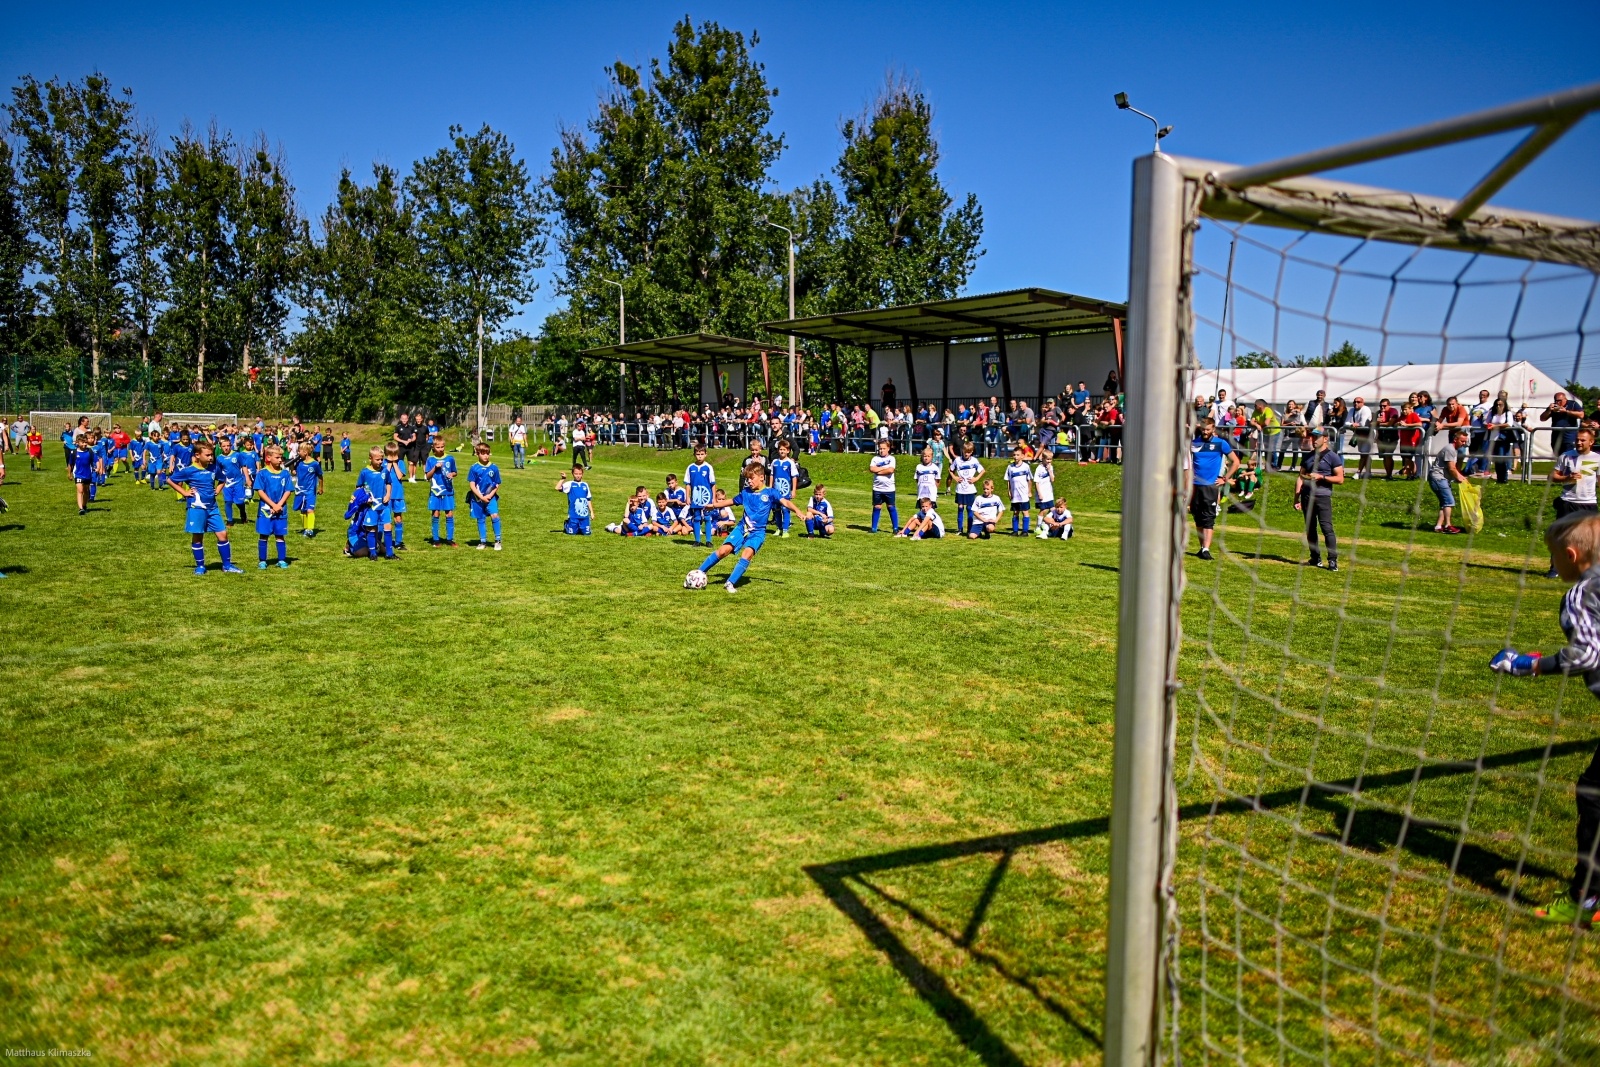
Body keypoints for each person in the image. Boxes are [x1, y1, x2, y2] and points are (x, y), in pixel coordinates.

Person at [1489, 510, 1600, 924]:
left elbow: (1587, 653)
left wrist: (1529, 665)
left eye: (1555, 559)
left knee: (1593, 794)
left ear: (1570, 556)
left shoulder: (1579, 594)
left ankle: (1588, 899)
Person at [687, 464, 813, 593]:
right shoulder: (746, 492)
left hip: (758, 532)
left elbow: (785, 502)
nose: (749, 481)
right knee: (723, 551)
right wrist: (714, 505)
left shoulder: (770, 493)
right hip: (742, 528)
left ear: (762, 477)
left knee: (747, 553)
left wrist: (797, 511)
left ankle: (730, 583)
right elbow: (731, 501)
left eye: (752, 478)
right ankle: (697, 574)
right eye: (747, 479)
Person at [169, 441, 242, 575]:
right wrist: (184, 493)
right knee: (198, 536)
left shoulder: (214, 468)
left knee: (223, 534)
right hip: (197, 508)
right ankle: (200, 566)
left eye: (211, 455)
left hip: (213, 507)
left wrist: (218, 490)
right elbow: (170, 480)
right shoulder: (189, 470)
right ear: (197, 455)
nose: (211, 458)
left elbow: (222, 479)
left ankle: (227, 565)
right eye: (207, 455)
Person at [1546, 427, 1600, 576]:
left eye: (1582, 440)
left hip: (1588, 503)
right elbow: (1551, 476)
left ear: (1591, 442)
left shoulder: (1597, 458)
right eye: (1577, 439)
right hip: (1568, 501)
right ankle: (1555, 568)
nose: (1578, 442)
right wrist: (1566, 478)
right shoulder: (1566, 456)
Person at [1294, 428, 1344, 570]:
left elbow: (1340, 479)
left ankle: (1332, 560)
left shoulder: (1332, 457)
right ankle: (1315, 558)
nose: (1313, 440)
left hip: (1322, 497)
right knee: (1310, 529)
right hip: (1307, 496)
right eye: (1312, 437)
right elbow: (1301, 477)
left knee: (1326, 528)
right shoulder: (1307, 456)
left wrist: (1322, 477)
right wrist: (1296, 498)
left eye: (1317, 437)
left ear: (1325, 439)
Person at [1191, 417, 1239, 561]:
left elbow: (1236, 462)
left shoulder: (1220, 443)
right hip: (1194, 486)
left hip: (1210, 486)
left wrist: (1225, 478)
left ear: (1213, 429)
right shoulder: (1193, 443)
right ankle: (1202, 548)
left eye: (1208, 429)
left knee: (1208, 517)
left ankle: (1206, 549)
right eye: (1203, 429)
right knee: (1198, 517)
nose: (1205, 432)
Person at [254, 444, 293, 569]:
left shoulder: (285, 474)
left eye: (281, 457)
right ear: (269, 458)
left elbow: (288, 490)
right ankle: (262, 561)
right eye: (278, 457)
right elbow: (260, 491)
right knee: (264, 535)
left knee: (279, 535)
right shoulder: (262, 473)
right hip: (265, 510)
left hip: (281, 510)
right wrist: (272, 505)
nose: (281, 460)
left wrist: (279, 505)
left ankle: (281, 560)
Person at [354, 446, 394, 560]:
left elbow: (388, 483)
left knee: (387, 526)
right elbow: (359, 487)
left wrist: (388, 494)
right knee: (372, 528)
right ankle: (372, 553)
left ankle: (389, 553)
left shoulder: (385, 470)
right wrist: (365, 498)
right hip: (371, 506)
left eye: (382, 459)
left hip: (384, 505)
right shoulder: (365, 472)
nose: (380, 461)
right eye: (378, 459)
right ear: (370, 458)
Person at [1428, 427, 1470, 534]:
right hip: (1438, 478)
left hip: (1442, 478)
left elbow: (1453, 469)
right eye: (1462, 441)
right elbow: (1451, 468)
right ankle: (1448, 525)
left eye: (1465, 442)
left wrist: (1461, 477)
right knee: (1449, 502)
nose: (1464, 444)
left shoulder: (1453, 450)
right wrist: (1460, 478)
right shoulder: (1450, 449)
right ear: (1455, 439)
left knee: (1444, 504)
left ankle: (1438, 526)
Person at [424, 435, 459, 546]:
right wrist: (435, 468)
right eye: (438, 447)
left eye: (442, 447)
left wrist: (451, 474)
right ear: (433, 447)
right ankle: (436, 539)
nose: (441, 449)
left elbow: (455, 472)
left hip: (448, 491)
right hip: (435, 492)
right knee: (436, 514)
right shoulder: (430, 460)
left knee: (449, 514)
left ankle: (450, 539)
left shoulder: (450, 458)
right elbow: (427, 476)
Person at [467, 443, 503, 550]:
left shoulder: (494, 468)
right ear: (477, 454)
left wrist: (490, 495)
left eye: (487, 453)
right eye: (483, 454)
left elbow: (497, 484)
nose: (486, 456)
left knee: (495, 515)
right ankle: (483, 541)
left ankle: (498, 540)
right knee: (480, 518)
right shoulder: (474, 468)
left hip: (491, 498)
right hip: (477, 498)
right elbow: (472, 485)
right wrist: (481, 497)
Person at [947, 440, 984, 536]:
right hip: (960, 489)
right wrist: (955, 477)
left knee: (969, 508)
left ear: (971, 452)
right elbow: (950, 470)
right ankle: (960, 529)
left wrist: (976, 478)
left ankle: (970, 529)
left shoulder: (974, 461)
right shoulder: (957, 460)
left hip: (970, 489)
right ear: (962, 450)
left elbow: (982, 471)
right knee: (960, 508)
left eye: (969, 452)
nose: (966, 454)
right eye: (965, 451)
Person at [685, 445, 717, 546]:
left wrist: (714, 498)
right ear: (694, 455)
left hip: (706, 497)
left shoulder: (708, 467)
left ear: (705, 455)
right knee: (697, 517)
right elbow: (688, 484)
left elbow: (713, 484)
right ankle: (697, 540)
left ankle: (708, 541)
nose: (700, 456)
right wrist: (687, 496)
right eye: (698, 454)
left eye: (702, 454)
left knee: (707, 517)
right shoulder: (690, 467)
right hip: (696, 497)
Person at [214, 436, 249, 526]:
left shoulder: (237, 455)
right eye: (224, 446)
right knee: (228, 501)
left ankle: (243, 512)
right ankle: (229, 521)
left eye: (228, 445)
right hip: (227, 484)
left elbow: (244, 466)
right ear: (220, 447)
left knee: (240, 502)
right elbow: (218, 471)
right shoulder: (219, 458)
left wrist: (247, 478)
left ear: (231, 445)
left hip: (238, 482)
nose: (226, 448)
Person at [770, 440, 800, 537]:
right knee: (777, 510)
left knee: (785, 509)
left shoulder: (790, 463)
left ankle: (786, 530)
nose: (782, 451)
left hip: (785, 491)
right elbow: (772, 475)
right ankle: (779, 528)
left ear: (788, 451)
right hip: (776, 491)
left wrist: (793, 490)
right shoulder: (775, 462)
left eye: (784, 449)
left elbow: (794, 477)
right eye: (780, 449)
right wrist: (770, 488)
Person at [1541, 390, 1586, 456]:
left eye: (1560, 400)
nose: (1558, 402)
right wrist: (1549, 410)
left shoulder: (1572, 404)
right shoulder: (1553, 406)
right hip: (1556, 436)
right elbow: (1542, 418)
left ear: (1565, 399)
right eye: (1556, 400)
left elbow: (1581, 415)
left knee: (1569, 456)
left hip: (1569, 436)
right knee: (1559, 457)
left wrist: (1566, 411)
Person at [296, 442, 325, 539]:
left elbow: (320, 476)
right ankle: (305, 528)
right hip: (300, 491)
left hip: (310, 491)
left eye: (299, 450)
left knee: (310, 510)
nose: (298, 452)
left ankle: (310, 529)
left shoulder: (315, 464)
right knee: (303, 511)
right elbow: (295, 472)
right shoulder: (299, 463)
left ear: (305, 452)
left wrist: (321, 488)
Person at [382, 442, 408, 550]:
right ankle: (384, 541)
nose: (392, 457)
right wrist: (389, 464)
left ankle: (398, 542)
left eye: (394, 454)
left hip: (397, 495)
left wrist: (395, 464)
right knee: (385, 519)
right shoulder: (382, 463)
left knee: (398, 518)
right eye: (390, 455)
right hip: (386, 495)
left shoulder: (400, 463)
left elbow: (400, 476)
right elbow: (384, 475)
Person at [869, 439, 898, 534]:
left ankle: (895, 528)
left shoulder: (892, 459)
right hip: (877, 488)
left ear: (888, 448)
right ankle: (874, 528)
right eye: (880, 448)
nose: (881, 450)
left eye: (884, 448)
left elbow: (890, 470)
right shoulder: (875, 459)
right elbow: (872, 469)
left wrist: (879, 471)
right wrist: (884, 469)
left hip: (889, 489)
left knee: (891, 507)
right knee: (877, 507)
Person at [555, 465, 592, 535]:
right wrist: (563, 479)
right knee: (572, 533)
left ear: (582, 474)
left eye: (580, 474)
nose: (578, 476)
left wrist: (592, 512)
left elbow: (588, 499)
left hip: (584, 516)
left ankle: (580, 526)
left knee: (587, 533)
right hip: (573, 515)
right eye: (576, 474)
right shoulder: (569, 484)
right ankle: (567, 524)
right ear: (572, 474)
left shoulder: (585, 485)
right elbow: (557, 488)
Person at [1004, 446, 1032, 535]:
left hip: (1023, 494)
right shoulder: (1010, 467)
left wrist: (1029, 491)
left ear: (1022, 456)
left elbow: (1029, 480)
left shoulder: (1026, 467)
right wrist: (1009, 491)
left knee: (1025, 512)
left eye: (1018, 455)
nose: (1015, 457)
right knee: (1015, 512)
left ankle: (1025, 531)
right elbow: (1008, 480)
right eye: (1014, 455)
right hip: (1015, 494)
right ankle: (1015, 531)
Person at [71, 432, 97, 515]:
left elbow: (95, 460)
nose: (85, 444)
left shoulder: (90, 451)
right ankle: (80, 508)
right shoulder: (74, 452)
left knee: (86, 491)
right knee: (80, 490)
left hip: (87, 474)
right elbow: (70, 464)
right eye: (83, 442)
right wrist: (69, 473)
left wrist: (97, 467)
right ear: (78, 443)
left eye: (86, 442)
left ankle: (84, 505)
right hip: (78, 474)